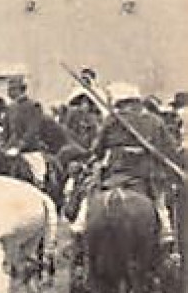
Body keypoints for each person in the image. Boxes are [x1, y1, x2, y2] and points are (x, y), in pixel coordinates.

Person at [70, 83, 181, 257]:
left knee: (89, 192)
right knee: (160, 202)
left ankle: (80, 224)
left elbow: (98, 149)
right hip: (146, 174)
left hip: (116, 174)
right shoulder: (154, 121)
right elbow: (170, 150)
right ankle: (166, 233)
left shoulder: (112, 120)